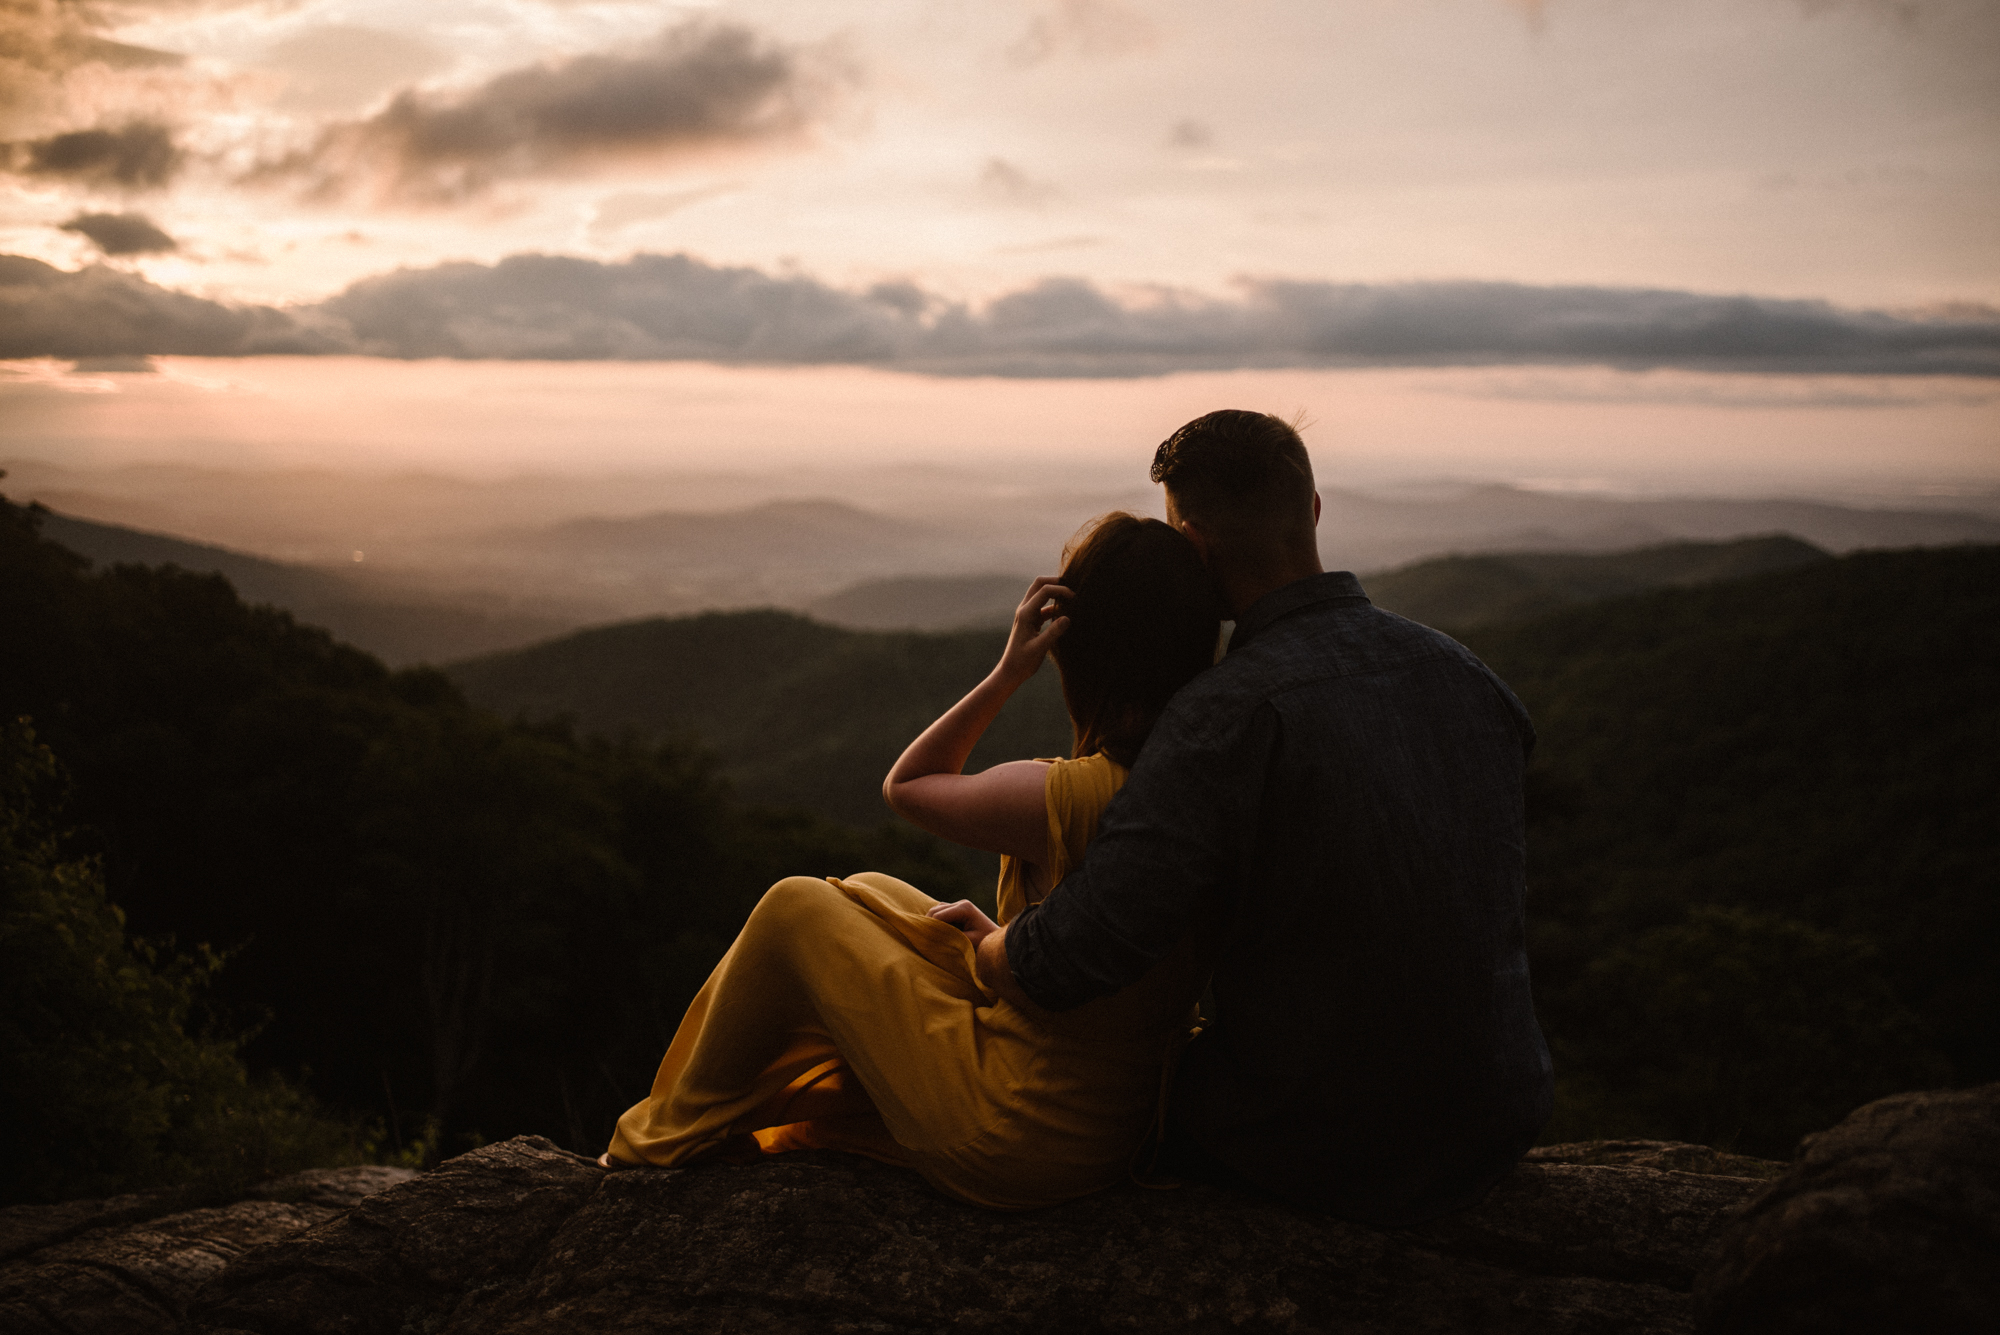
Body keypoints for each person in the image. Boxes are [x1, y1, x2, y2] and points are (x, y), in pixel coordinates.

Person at [969, 409, 1554, 1225]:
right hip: (1498, 1119)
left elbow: (1076, 955)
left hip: (1309, 1141)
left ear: (1197, 552)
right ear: (1313, 510)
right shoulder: (1469, 678)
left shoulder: (1224, 714)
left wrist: (985, 948)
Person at [600, 513, 1225, 1208]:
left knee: (794, 907)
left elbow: (911, 784)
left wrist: (1008, 668)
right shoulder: (1198, 779)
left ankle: (658, 1141)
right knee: (874, 889)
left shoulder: (1074, 794)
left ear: (1081, 650)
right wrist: (1002, 937)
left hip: (1024, 1128)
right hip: (1111, 1119)